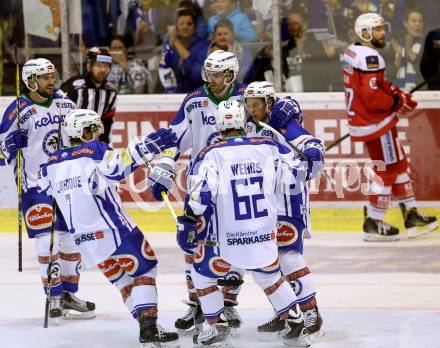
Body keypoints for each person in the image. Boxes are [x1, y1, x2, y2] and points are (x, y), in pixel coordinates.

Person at [37, 109, 179, 346]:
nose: (96, 133)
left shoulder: (50, 163)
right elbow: (116, 167)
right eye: (92, 128)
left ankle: (148, 326)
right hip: (113, 229)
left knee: (122, 280)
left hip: (84, 240)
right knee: (145, 270)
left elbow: (43, 188)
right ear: (80, 131)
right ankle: (149, 327)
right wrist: (147, 146)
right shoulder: (95, 151)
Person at [176, 100, 310, 346]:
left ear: (218, 124)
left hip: (230, 241)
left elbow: (200, 196)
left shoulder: (210, 154)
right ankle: (296, 323)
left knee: (202, 275)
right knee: (270, 278)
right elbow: (297, 173)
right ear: (244, 121)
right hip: (264, 235)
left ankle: (217, 326)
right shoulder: (268, 147)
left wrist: (188, 221)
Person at [149, 49, 246, 333]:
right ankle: (196, 305)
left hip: (235, 184)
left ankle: (227, 304)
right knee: (193, 243)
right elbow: (175, 138)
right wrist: (165, 165)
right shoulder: (194, 102)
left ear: (230, 75)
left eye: (216, 75)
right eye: (208, 73)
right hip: (201, 184)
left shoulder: (245, 98)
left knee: (236, 241)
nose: (210, 79)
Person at [0, 58, 95, 320]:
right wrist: (9, 145)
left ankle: (68, 294)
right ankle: (52, 294)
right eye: (44, 78)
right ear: (30, 81)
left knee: (70, 240)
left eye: (52, 77)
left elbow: (82, 139)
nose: (51, 81)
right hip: (35, 184)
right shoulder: (17, 110)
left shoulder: (67, 104)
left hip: (66, 184)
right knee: (45, 242)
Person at [341, 12, 437, 241]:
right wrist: (396, 102)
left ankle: (411, 213)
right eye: (378, 30)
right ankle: (374, 220)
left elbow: (378, 85)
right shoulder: (369, 57)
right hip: (376, 123)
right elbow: (372, 97)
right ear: (365, 33)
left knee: (399, 163)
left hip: (368, 122)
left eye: (383, 29)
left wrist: (396, 93)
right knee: (388, 169)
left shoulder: (352, 52)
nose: (383, 34)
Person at [243, 81, 324, 341]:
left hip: (288, 200)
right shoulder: (246, 124)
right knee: (268, 261)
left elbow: (310, 142)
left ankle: (312, 314)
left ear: (269, 103)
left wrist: (312, 151)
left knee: (288, 256)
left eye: (256, 104)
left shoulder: (282, 121)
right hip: (264, 201)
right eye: (248, 104)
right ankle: (288, 313)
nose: (251, 109)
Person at [60, 47, 117, 144]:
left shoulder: (111, 91)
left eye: (106, 66)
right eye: (98, 65)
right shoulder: (73, 86)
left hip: (94, 140)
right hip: (70, 140)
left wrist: (104, 141)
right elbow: (60, 113)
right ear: (89, 66)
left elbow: (107, 119)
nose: (103, 70)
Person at [158, 9, 209, 93]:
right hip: (173, 94)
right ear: (176, 28)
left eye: (189, 24)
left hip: (197, 94)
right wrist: (169, 44)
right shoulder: (170, 45)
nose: (185, 27)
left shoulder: (203, 46)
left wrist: (176, 42)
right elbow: (161, 66)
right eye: (181, 24)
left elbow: (194, 72)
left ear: (195, 27)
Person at [211, 18, 253, 83]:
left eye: (226, 34)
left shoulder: (243, 51)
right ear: (214, 37)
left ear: (233, 35)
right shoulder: (208, 51)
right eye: (219, 34)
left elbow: (244, 75)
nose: (222, 37)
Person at [393, 9, 424, 91]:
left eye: (420, 21)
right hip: (400, 90)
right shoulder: (400, 43)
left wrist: (408, 49)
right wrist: (399, 55)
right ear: (405, 23)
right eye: (414, 21)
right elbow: (393, 70)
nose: (417, 24)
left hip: (420, 90)